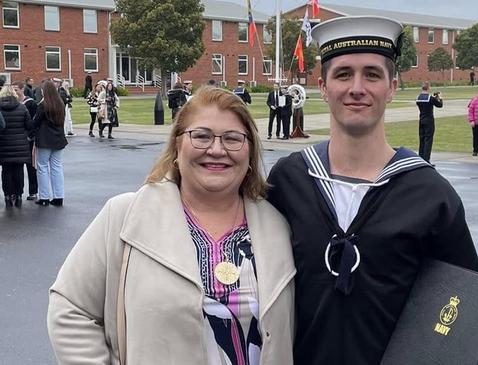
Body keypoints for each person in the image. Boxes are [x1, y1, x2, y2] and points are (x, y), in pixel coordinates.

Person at [266, 16, 478, 365]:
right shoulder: (290, 180)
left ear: (392, 87)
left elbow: (462, 304)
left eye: (371, 74)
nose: (357, 87)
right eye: (343, 74)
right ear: (322, 87)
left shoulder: (429, 193)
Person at [47, 87, 295, 364]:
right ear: (177, 146)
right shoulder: (125, 217)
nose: (216, 149)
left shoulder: (278, 226)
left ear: (249, 151)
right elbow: (70, 308)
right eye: (201, 136)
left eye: (232, 138)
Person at [32, 80, 68, 206]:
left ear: (44, 91)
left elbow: (35, 122)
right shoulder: (60, 103)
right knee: (57, 168)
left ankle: (44, 197)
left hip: (45, 140)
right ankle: (59, 196)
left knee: (42, 167)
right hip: (58, 139)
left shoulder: (43, 105)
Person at [0, 85, 32, 208]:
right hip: (20, 144)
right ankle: (18, 195)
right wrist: (28, 137)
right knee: (19, 171)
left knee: (6, 172)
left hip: (3, 144)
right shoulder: (22, 107)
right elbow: (29, 126)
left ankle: (7, 196)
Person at [12, 80, 39, 200]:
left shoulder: (31, 103)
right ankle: (16, 191)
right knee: (16, 168)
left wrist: (30, 136)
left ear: (22, 89)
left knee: (30, 166)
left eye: (16, 90)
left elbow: (34, 122)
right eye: (13, 90)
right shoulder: (12, 104)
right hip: (16, 139)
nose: (14, 92)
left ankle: (33, 191)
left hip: (28, 139)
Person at [416, 83, 443, 162]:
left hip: (421, 120)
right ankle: (426, 159)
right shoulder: (430, 98)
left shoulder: (418, 97)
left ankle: (420, 158)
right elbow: (439, 105)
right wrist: (440, 98)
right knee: (428, 140)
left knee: (422, 139)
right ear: (428, 88)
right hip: (429, 121)